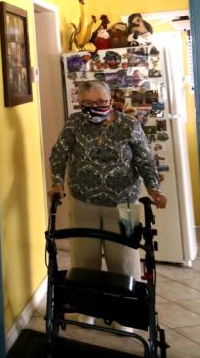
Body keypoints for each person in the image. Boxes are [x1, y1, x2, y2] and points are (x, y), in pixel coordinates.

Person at [49, 80, 167, 279]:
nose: (95, 108)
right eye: (89, 104)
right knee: (84, 261)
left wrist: (155, 190)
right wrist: (57, 183)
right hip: (83, 202)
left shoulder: (129, 124)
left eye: (101, 102)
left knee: (125, 259)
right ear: (80, 103)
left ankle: (126, 305)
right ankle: (87, 304)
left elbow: (145, 160)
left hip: (125, 204)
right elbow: (59, 154)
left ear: (111, 101)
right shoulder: (74, 123)